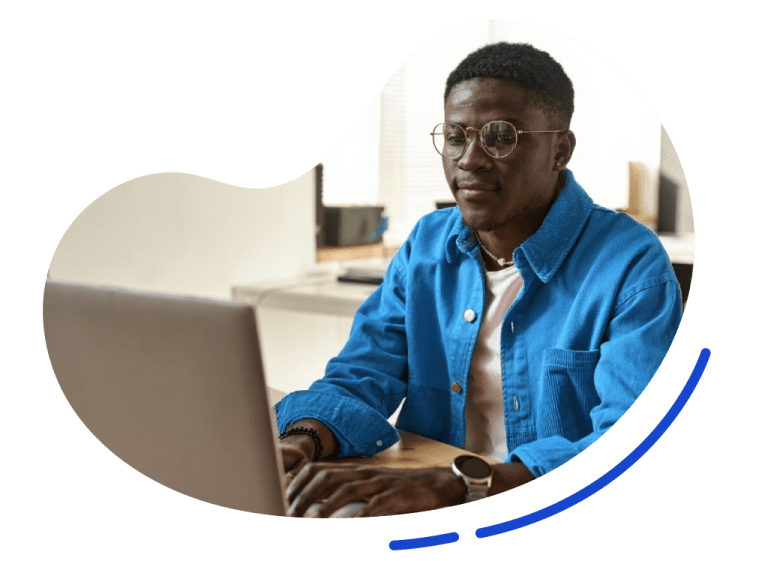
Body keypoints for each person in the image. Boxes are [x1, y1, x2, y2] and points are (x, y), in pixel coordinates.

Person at [274, 42, 683, 518]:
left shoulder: (630, 265)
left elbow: (633, 442)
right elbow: (363, 373)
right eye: (455, 136)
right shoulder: (426, 245)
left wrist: (462, 485)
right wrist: (301, 438)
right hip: (429, 505)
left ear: (560, 150)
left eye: (500, 136)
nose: (470, 159)